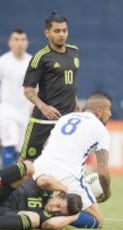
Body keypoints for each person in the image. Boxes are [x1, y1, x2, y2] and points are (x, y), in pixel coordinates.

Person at [32, 91, 112, 228]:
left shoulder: (66, 118)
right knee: (98, 221)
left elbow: (46, 144)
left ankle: (41, 212)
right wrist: (106, 192)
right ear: (99, 111)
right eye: (108, 110)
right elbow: (103, 172)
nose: (110, 114)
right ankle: (52, 217)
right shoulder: (101, 130)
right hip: (68, 176)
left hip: (38, 168)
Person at [21, 11, 80, 161]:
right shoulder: (41, 57)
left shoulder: (74, 51)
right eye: (57, 31)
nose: (62, 34)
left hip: (66, 121)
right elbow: (28, 90)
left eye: (64, 30)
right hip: (43, 120)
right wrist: (43, 107)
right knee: (26, 164)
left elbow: (70, 82)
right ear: (47, 33)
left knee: (62, 162)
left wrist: (76, 103)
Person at [0, 161, 82, 230]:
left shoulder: (45, 218)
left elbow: (51, 225)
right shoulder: (45, 189)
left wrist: (74, 216)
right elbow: (46, 180)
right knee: (29, 167)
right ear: (60, 195)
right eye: (58, 205)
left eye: (60, 212)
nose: (54, 210)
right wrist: (64, 187)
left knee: (34, 219)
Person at [0, 28, 33, 167]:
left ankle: (19, 183)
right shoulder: (1, 62)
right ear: (10, 43)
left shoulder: (32, 62)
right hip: (7, 109)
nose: (20, 43)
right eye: (16, 39)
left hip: (25, 110)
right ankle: (6, 183)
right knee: (9, 143)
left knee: (22, 149)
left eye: (23, 39)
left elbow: (38, 87)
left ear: (27, 42)